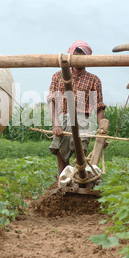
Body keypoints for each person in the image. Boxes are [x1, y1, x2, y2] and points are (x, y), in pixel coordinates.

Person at [47, 40, 106, 174]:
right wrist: (56, 125)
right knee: (61, 153)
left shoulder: (94, 80)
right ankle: (64, 181)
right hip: (62, 118)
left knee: (81, 155)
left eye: (83, 56)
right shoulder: (57, 76)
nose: (79, 59)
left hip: (82, 119)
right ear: (70, 56)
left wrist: (102, 132)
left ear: (88, 59)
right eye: (76, 55)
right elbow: (52, 101)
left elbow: (99, 107)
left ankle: (80, 180)